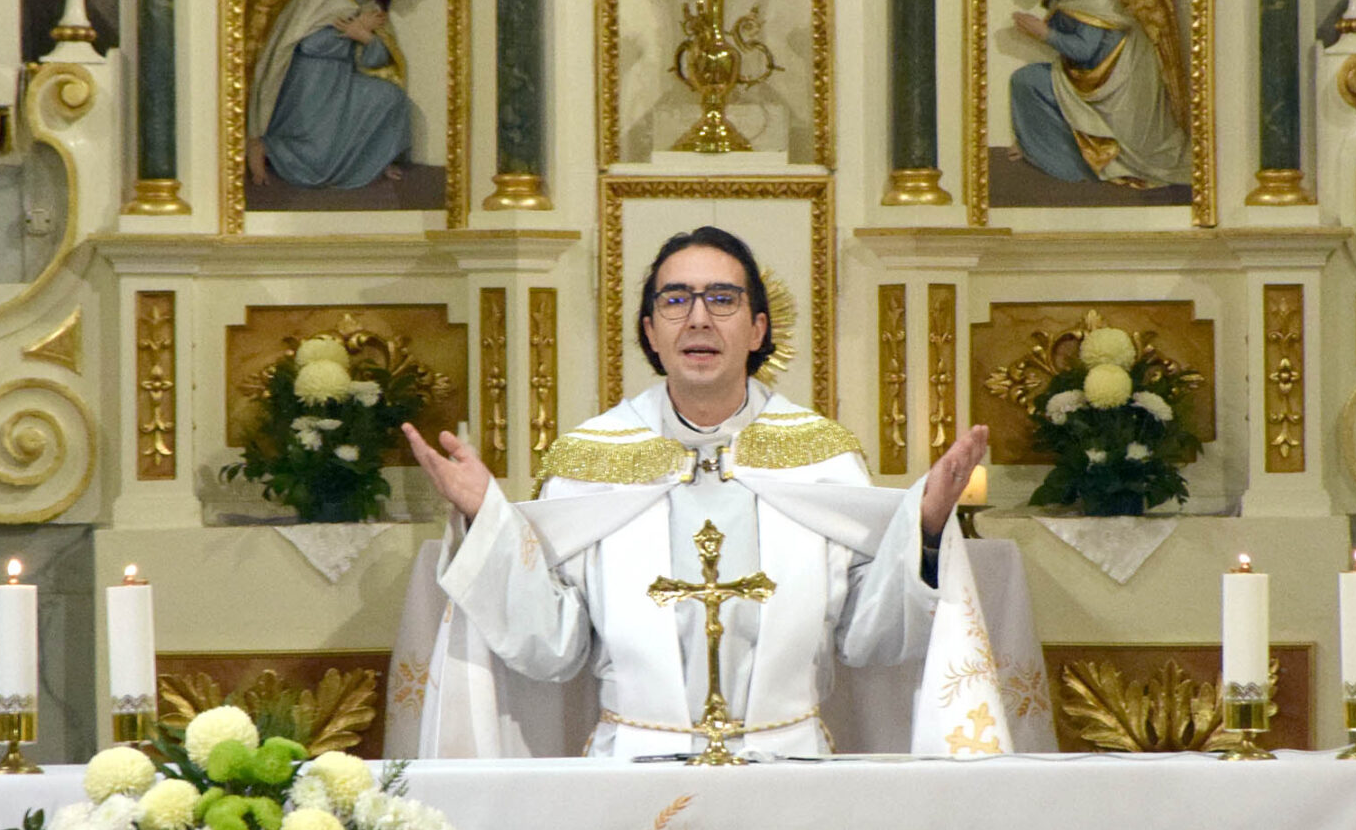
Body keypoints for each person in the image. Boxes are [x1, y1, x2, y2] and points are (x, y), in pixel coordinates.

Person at [402, 226, 1030, 761]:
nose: (698, 317)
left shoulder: (822, 457)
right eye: (675, 299)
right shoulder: (590, 458)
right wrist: (485, 517)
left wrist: (925, 527)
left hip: (791, 765)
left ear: (758, 329)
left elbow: (871, 638)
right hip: (632, 765)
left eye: (722, 299)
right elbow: (553, 648)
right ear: (651, 331)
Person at [1005, 0, 1190, 191]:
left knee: (1030, 80)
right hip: (1084, 79)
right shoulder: (1063, 1)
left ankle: (1088, 164)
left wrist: (1043, 33)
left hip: (1117, 83)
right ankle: (1040, 147)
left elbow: (1085, 50)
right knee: (1027, 81)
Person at [247, 0, 420, 193]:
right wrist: (353, 29)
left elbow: (374, 60)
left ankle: (373, 159)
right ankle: (266, 147)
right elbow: (309, 45)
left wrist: (365, 37)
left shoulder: (372, 7)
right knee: (318, 158)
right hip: (309, 81)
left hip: (343, 80)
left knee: (391, 97)